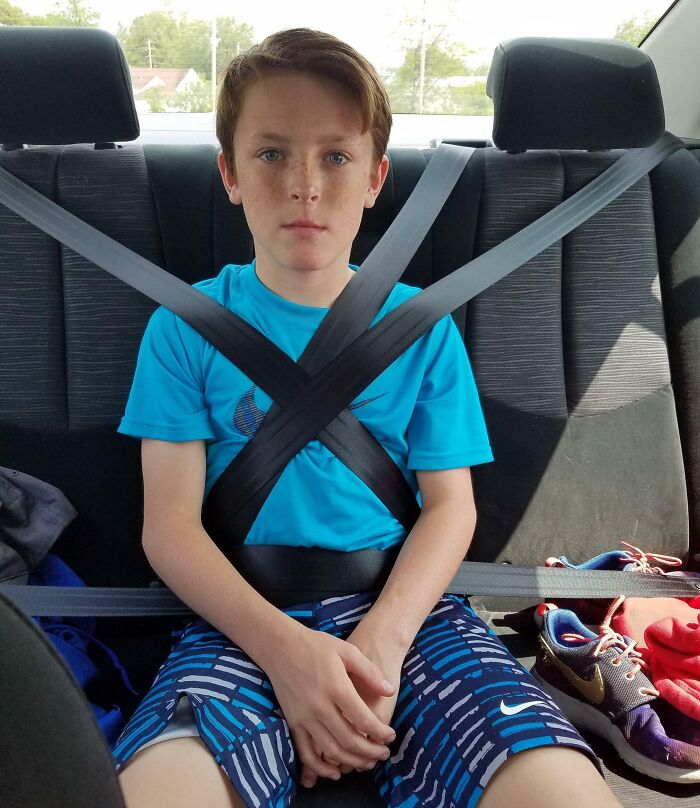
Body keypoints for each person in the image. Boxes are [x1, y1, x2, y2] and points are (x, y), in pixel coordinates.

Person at [113, 27, 622, 808]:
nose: (305, 185)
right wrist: (288, 655)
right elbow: (170, 529)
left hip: (411, 616)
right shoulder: (183, 329)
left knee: (563, 791)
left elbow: (451, 506)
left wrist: (380, 648)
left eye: (336, 157)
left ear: (377, 176)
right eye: (272, 154)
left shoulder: (422, 330)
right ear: (230, 175)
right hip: (243, 621)